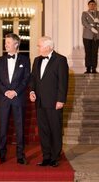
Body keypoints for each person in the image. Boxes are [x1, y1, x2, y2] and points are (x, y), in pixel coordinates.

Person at [29, 36, 68, 167]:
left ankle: (55, 157)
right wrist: (32, 91)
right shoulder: (36, 60)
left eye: (39, 45)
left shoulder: (60, 60)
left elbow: (63, 82)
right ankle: (46, 156)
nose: (38, 48)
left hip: (54, 102)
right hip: (40, 101)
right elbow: (33, 79)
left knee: (55, 129)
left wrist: (61, 100)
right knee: (43, 130)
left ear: (47, 47)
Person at [0, 33, 30, 165]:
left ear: (16, 44)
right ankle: (1, 154)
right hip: (3, 98)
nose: (5, 45)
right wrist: (5, 91)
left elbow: (26, 79)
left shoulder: (25, 60)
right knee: (2, 127)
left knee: (20, 127)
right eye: (5, 42)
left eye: (8, 43)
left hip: (18, 98)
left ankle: (20, 155)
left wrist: (15, 91)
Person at [81, 0, 99, 74]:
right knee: (88, 52)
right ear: (88, 5)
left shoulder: (98, 13)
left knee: (95, 52)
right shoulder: (85, 13)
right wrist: (91, 27)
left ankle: (94, 68)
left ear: (95, 6)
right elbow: (84, 22)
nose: (92, 5)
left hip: (96, 36)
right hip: (87, 36)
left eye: (93, 4)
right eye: (91, 4)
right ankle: (88, 68)